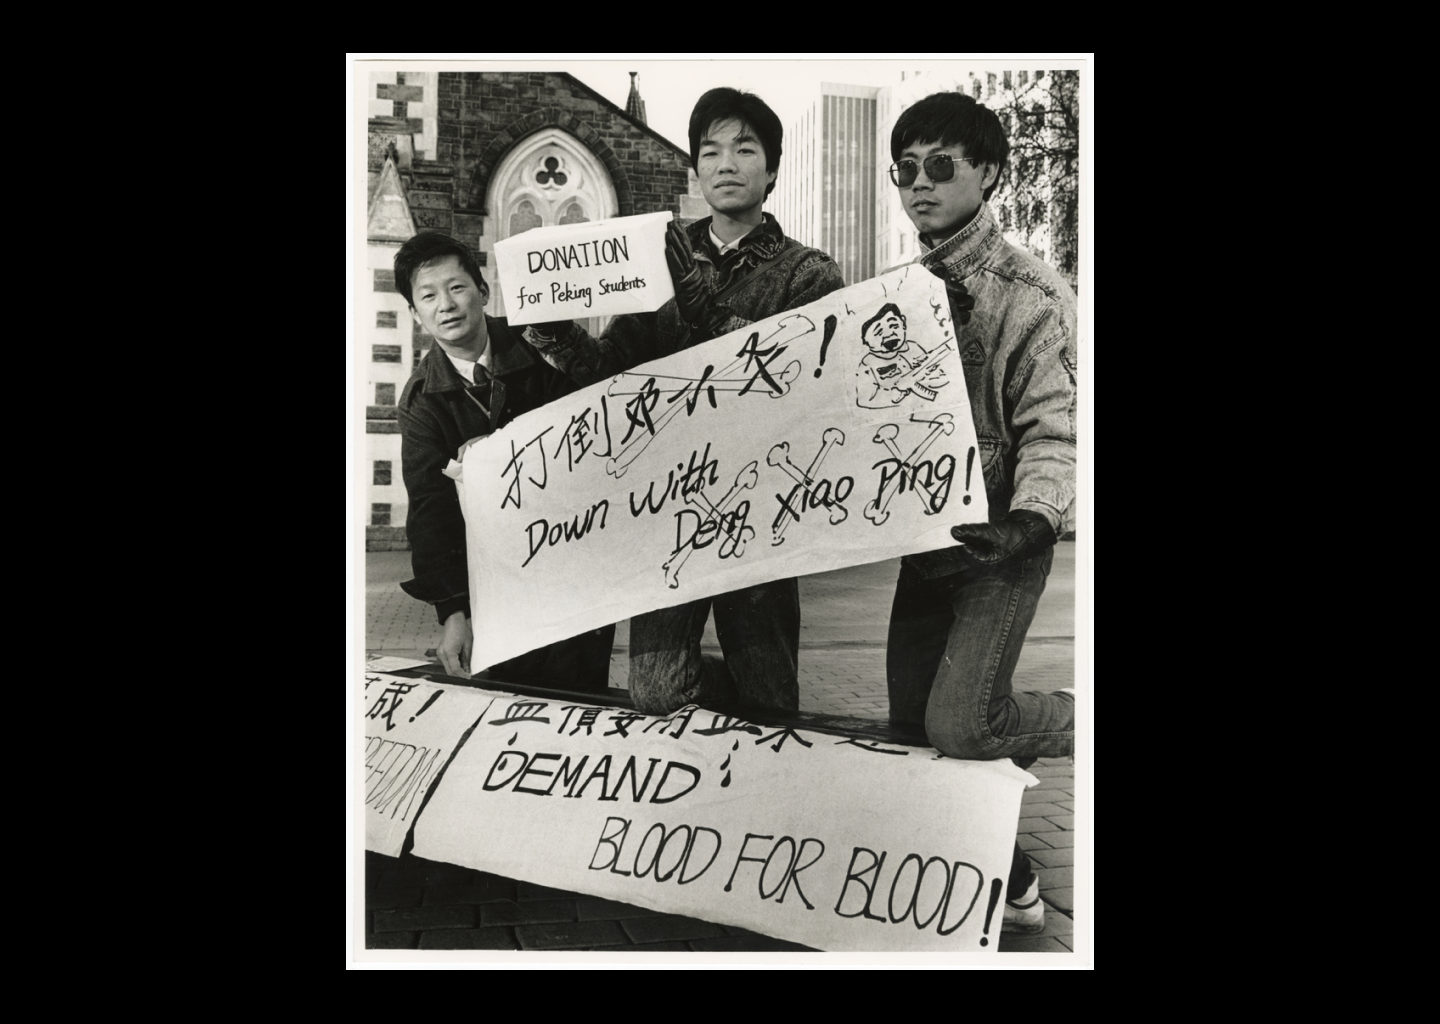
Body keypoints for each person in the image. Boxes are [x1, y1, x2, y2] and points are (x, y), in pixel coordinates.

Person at [524, 87, 845, 716]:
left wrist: (706, 308)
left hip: (762, 508)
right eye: (711, 151)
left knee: (770, 692)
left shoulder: (809, 273)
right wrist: (554, 334)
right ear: (696, 170)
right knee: (656, 690)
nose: (726, 163)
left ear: (772, 169)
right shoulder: (653, 261)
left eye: (745, 149)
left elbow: (798, 386)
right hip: (667, 505)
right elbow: (613, 374)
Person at [883, 91, 1077, 935]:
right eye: (904, 170)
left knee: (963, 722)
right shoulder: (886, 295)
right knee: (915, 738)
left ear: (989, 172)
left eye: (938, 166)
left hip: (1001, 547)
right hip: (925, 547)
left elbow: (1056, 429)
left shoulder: (1032, 291)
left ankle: (1073, 715)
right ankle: (1016, 874)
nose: (917, 185)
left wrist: (1030, 521)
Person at [394, 231, 615, 688]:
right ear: (416, 314)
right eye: (429, 296)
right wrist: (452, 612)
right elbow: (429, 511)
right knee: (517, 704)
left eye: (457, 288)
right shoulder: (421, 402)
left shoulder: (540, 344)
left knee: (579, 698)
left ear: (483, 291)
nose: (447, 305)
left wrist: (501, 452)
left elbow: (595, 422)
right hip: (497, 582)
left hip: (575, 557)